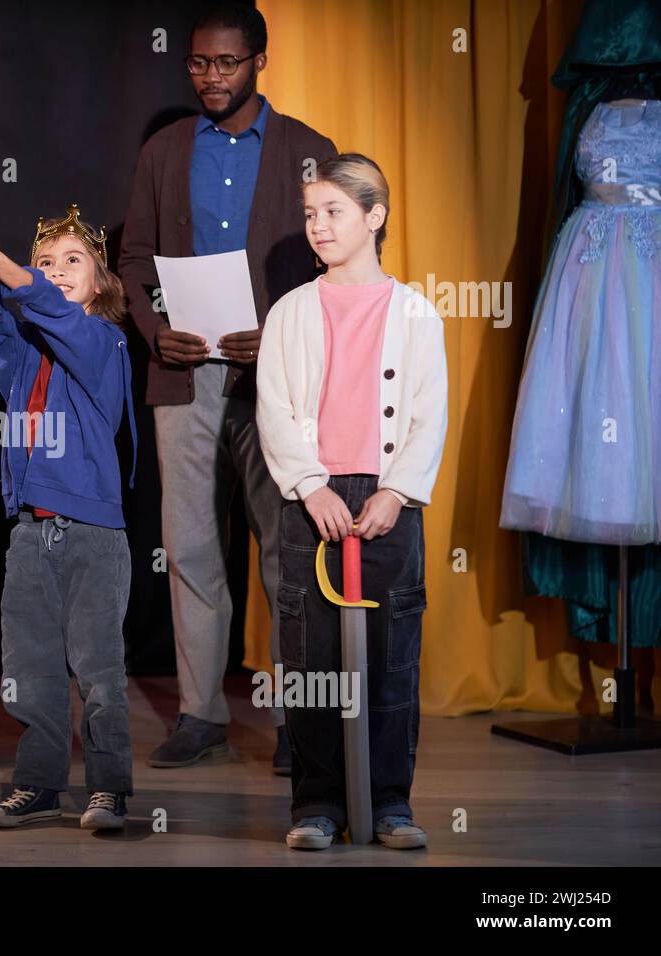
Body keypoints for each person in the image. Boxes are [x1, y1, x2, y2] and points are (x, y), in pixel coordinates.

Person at [118, 2, 337, 773]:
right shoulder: (164, 150)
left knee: (287, 551)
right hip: (184, 375)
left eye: (227, 64)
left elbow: (334, 268)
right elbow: (133, 262)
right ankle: (201, 714)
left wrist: (279, 328)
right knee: (190, 549)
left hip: (274, 379)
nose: (211, 77)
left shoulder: (310, 151)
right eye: (199, 64)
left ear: (259, 61)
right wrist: (153, 332)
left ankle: (298, 725)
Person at [255, 153, 447, 850]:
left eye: (334, 211)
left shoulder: (418, 313)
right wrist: (310, 486)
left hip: (387, 502)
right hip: (314, 501)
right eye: (310, 214)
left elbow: (429, 416)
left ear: (375, 216)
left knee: (393, 653)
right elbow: (274, 408)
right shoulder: (290, 312)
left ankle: (392, 803)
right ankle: (317, 805)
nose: (318, 226)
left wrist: (396, 491)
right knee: (311, 659)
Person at [0, 206, 137, 830]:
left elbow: (54, 314)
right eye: (47, 262)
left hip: (91, 533)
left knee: (99, 672)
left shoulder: (104, 341)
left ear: (101, 282)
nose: (57, 273)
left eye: (72, 262)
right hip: (31, 529)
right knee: (28, 670)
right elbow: (4, 349)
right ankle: (37, 785)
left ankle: (108, 788)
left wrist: (5, 268)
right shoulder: (34, 348)